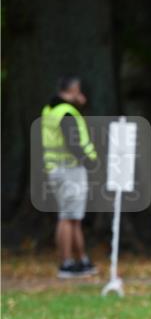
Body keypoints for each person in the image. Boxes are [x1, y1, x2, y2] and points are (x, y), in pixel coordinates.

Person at [41, 75, 99, 278]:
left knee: (73, 217)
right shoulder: (66, 113)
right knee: (67, 217)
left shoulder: (51, 110)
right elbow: (73, 143)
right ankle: (66, 263)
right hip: (70, 169)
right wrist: (89, 162)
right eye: (79, 90)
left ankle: (80, 260)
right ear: (73, 90)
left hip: (57, 169)